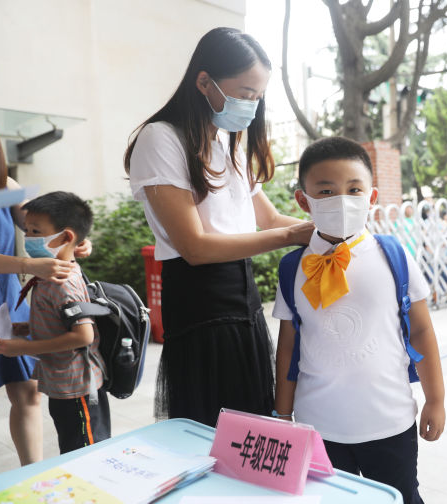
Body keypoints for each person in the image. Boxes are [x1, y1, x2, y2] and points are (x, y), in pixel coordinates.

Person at [125, 28, 314, 427]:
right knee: (212, 426)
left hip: (242, 298)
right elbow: (194, 246)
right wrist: (290, 236)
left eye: (258, 96)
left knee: (250, 422)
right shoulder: (161, 138)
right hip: (200, 302)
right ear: (204, 81)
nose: (251, 104)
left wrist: (328, 229)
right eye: (244, 92)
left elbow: (269, 219)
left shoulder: (230, 141)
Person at [273, 137, 445, 504]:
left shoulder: (393, 255)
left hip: (389, 419)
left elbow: (422, 330)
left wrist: (435, 399)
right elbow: (287, 344)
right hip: (318, 424)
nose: (342, 199)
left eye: (354, 189)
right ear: (303, 200)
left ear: (372, 196)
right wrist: (282, 413)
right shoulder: (292, 268)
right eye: (326, 190)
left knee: (401, 497)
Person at [0, 191, 109, 454]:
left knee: (83, 448)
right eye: (27, 230)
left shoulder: (59, 281)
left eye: (34, 231)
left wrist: (23, 347)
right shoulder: (47, 277)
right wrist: (29, 329)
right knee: (74, 444)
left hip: (75, 387)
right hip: (63, 387)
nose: (28, 237)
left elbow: (83, 336)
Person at [0, 125, 79, 465]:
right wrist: (28, 264)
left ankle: (33, 476)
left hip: (7, 300)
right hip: (9, 285)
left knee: (27, 391)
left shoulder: (5, 188)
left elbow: (41, 224)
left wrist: (72, 240)